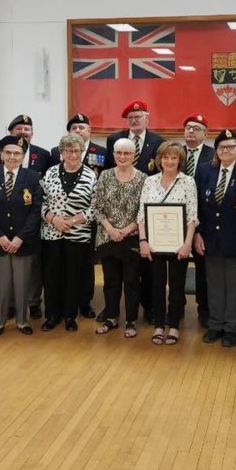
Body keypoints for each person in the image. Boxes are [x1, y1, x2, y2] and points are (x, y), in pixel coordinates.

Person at [195, 129, 236, 348]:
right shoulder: (205, 170)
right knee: (214, 284)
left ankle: (232, 327)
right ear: (216, 150)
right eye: (222, 147)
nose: (226, 150)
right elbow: (198, 208)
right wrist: (197, 234)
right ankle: (215, 325)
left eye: (231, 146)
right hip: (210, 239)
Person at [105, 99, 167, 325]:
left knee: (147, 266)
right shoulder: (114, 139)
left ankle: (148, 308)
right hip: (117, 215)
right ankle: (113, 311)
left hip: (146, 213)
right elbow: (107, 175)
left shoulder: (158, 141)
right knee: (117, 272)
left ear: (147, 118)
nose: (134, 120)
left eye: (138, 116)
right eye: (130, 117)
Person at [0, 135, 44, 337]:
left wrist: (20, 238)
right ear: (1, 154)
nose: (12, 157)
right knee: (1, 284)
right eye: (8, 152)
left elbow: (36, 210)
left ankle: (22, 321)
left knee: (23, 283)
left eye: (17, 153)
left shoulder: (32, 177)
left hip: (23, 242)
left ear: (23, 156)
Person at [138, 142, 198, 346]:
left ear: (180, 160)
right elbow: (141, 215)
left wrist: (188, 243)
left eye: (174, 157)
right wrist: (143, 241)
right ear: (159, 159)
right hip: (154, 244)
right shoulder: (149, 181)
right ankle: (158, 325)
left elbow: (192, 216)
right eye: (166, 157)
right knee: (156, 284)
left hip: (178, 244)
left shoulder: (188, 182)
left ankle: (173, 325)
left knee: (177, 285)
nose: (169, 161)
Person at [49, 113, 106, 319]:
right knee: (61, 266)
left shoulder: (101, 152)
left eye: (83, 127)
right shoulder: (56, 153)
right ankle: (63, 303)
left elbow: (104, 181)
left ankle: (85, 301)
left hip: (87, 223)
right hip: (56, 226)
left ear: (89, 131)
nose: (79, 130)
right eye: (75, 127)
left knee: (85, 265)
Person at [39, 133, 97, 332]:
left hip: (78, 234)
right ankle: (52, 315)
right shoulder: (50, 172)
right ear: (61, 152)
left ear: (82, 152)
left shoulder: (91, 175)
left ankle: (70, 316)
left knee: (74, 276)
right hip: (52, 232)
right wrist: (53, 219)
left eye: (76, 150)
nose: (73, 154)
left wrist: (71, 221)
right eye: (68, 150)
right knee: (52, 275)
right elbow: (42, 201)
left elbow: (95, 207)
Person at [92, 137, 147, 337]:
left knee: (132, 281)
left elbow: (144, 210)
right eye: (119, 153)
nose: (122, 156)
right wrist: (111, 229)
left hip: (131, 238)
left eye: (127, 153)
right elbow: (96, 208)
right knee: (111, 281)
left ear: (134, 155)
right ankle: (111, 317)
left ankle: (131, 320)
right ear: (113, 154)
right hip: (108, 238)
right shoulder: (104, 176)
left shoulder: (143, 178)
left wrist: (127, 229)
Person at [181, 113, 214, 328]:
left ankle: (205, 309)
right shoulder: (174, 153)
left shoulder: (214, 155)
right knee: (178, 265)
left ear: (205, 133)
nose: (191, 131)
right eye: (188, 127)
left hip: (205, 219)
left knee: (203, 268)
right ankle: (177, 304)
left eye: (196, 128)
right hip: (176, 219)